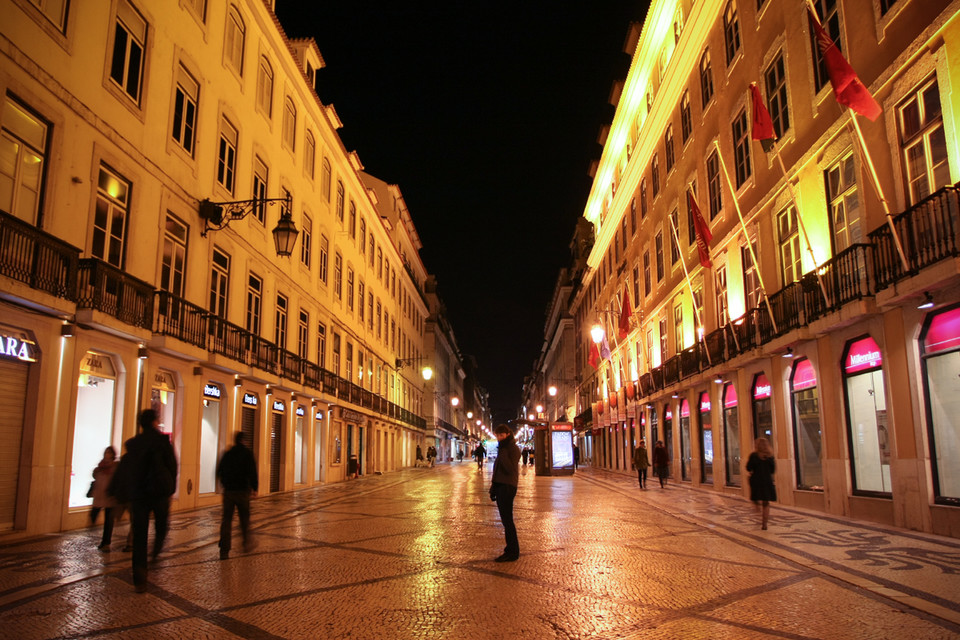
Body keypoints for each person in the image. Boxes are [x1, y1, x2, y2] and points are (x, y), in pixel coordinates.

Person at [111, 409, 178, 593]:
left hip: (139, 495)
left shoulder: (133, 444)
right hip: (159, 493)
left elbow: (126, 469)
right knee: (161, 526)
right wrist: (170, 488)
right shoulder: (163, 442)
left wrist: (122, 492)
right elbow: (172, 466)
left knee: (139, 535)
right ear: (155, 422)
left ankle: (139, 573)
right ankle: (155, 553)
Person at [216, 431, 259, 559]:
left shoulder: (228, 454)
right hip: (242, 491)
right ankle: (246, 543)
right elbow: (252, 472)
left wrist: (224, 483)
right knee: (244, 518)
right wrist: (254, 488)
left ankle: (224, 548)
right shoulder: (247, 454)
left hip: (229, 491)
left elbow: (219, 471)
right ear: (244, 441)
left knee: (226, 520)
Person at [489, 423, 521, 562]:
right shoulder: (504, 448)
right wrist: (493, 487)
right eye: (497, 436)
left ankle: (513, 552)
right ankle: (510, 549)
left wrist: (502, 452)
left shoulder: (513, 449)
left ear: (508, 434)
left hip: (508, 486)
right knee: (505, 520)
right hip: (501, 485)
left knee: (508, 520)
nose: (499, 438)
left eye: (501, 435)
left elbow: (509, 468)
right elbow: (498, 470)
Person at [90, 446, 118, 550]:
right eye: (106, 452)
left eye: (109, 452)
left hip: (109, 497)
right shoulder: (100, 466)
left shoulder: (115, 467)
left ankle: (106, 543)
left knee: (108, 521)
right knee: (93, 514)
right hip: (99, 495)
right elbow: (94, 475)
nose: (107, 454)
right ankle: (93, 530)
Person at [746, 437, 777, 530]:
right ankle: (764, 524)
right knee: (766, 503)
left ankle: (757, 508)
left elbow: (748, 467)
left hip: (756, 481)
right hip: (767, 481)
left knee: (755, 498)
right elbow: (773, 470)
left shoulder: (754, 456)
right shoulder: (770, 457)